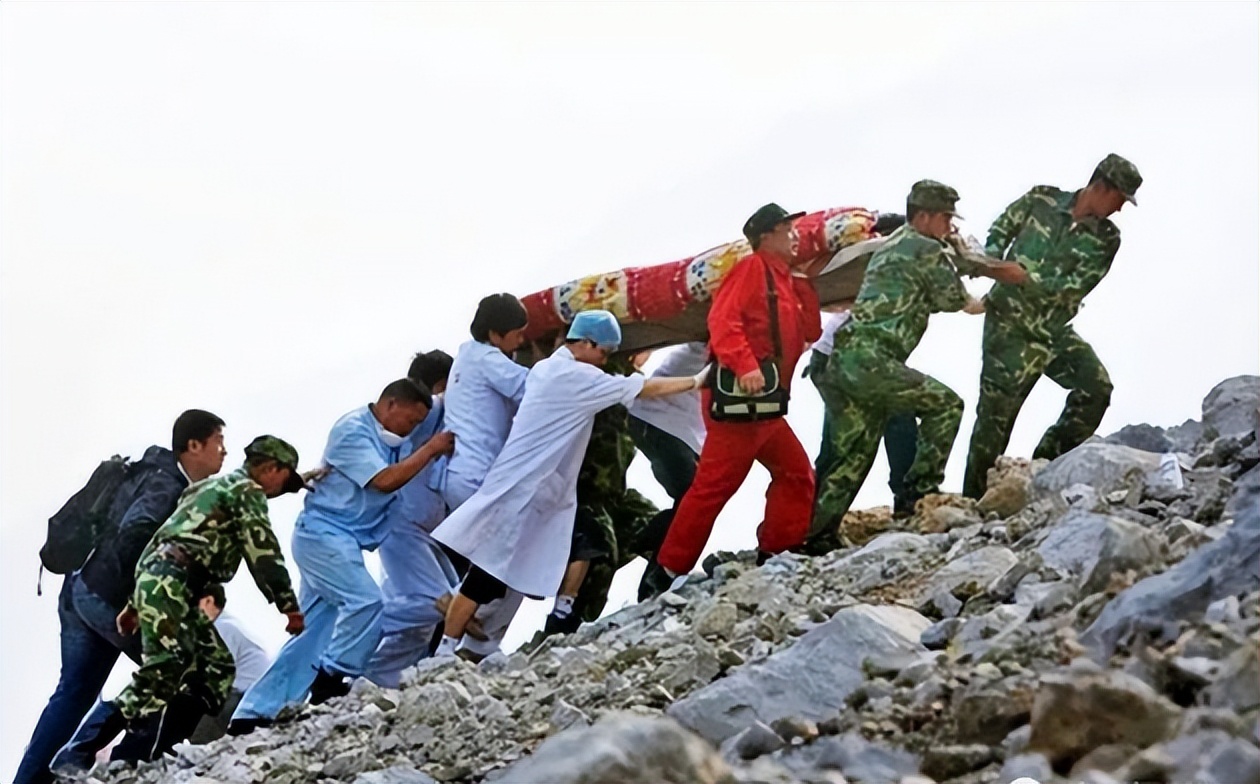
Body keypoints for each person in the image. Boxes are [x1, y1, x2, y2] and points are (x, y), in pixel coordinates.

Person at [432, 310, 706, 654]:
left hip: (553, 491)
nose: (605, 361)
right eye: (604, 353)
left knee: (588, 545)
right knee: (487, 575)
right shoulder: (573, 376)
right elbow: (642, 389)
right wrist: (697, 381)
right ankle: (448, 648)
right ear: (587, 344)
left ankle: (568, 612)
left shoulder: (555, 370)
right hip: (522, 490)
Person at [52, 436, 307, 769]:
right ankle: (79, 753)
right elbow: (264, 554)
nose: (277, 491)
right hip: (173, 583)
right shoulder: (247, 493)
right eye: (283, 481)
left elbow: (162, 538)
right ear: (271, 469)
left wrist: (134, 604)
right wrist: (288, 605)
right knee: (162, 670)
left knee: (215, 668)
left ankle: (156, 751)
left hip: (170, 583)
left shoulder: (208, 489)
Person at [808, 181, 1026, 548]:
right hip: (873, 358)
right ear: (924, 216)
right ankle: (921, 492)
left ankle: (813, 535)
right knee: (947, 405)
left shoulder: (889, 244)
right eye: (945, 218)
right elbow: (957, 300)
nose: (948, 226)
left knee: (851, 457)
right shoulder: (925, 248)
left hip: (847, 359)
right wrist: (994, 289)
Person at [228, 380, 453, 734]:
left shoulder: (391, 434)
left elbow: (438, 406)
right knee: (366, 602)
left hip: (341, 540)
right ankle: (331, 681)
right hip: (324, 536)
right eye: (409, 422)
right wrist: (431, 450)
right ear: (391, 405)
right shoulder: (351, 432)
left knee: (314, 632)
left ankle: (253, 714)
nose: (412, 430)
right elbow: (383, 481)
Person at [16, 409, 226, 784]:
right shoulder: (167, 486)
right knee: (181, 668)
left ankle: (33, 778)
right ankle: (126, 764)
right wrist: (145, 599)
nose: (224, 452)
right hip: (110, 600)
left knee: (73, 693)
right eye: (218, 442)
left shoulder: (147, 472)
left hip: (81, 589)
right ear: (194, 446)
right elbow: (136, 532)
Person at [652, 204, 822, 586]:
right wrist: (744, 366)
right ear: (767, 235)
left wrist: (805, 283)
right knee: (714, 488)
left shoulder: (785, 281)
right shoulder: (751, 270)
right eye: (787, 229)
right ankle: (667, 571)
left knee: (796, 474)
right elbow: (723, 320)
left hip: (766, 408)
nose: (795, 235)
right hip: (741, 408)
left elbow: (810, 332)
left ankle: (778, 550)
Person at [963, 154, 1142, 498]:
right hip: (1008, 327)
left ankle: (1046, 469)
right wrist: (991, 259)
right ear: (1102, 188)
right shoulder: (1042, 199)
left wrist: (1018, 276)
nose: (1119, 210)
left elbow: (1071, 287)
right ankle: (974, 503)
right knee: (994, 421)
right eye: (1119, 199)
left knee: (1096, 389)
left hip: (1052, 332)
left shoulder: (1107, 239)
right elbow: (1002, 227)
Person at [364, 351, 464, 686]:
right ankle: (351, 622)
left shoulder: (416, 420)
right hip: (402, 528)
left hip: (425, 533)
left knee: (420, 622)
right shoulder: (427, 413)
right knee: (439, 604)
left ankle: (378, 680)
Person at [807, 311, 919, 518]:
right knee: (846, 442)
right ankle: (812, 517)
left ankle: (907, 497)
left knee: (896, 417)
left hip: (852, 358)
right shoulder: (888, 291)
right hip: (842, 359)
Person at [626, 343, 707, 600]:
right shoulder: (705, 347)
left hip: (675, 429)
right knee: (691, 500)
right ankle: (651, 562)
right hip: (660, 422)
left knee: (691, 502)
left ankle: (649, 541)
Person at [187, 584, 270, 743]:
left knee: (200, 731)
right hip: (252, 691)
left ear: (209, 601)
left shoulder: (222, 628)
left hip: (244, 694)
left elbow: (215, 673)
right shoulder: (227, 623)